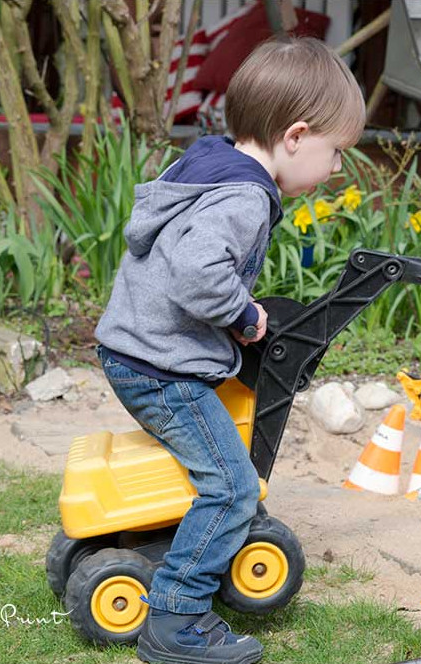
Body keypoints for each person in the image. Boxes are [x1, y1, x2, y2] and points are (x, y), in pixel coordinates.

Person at [94, 37, 365, 664]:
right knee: (233, 487)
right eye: (335, 153)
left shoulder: (212, 162)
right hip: (161, 370)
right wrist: (244, 317)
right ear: (295, 136)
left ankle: (168, 550)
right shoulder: (244, 198)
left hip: (136, 352)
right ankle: (176, 619)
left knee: (218, 457)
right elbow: (197, 274)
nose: (335, 171)